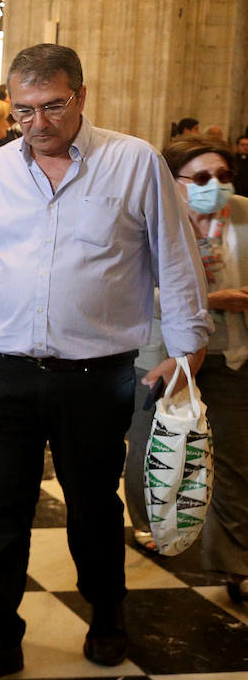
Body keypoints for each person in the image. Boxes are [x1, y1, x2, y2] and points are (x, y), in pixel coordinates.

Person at [0, 43, 210, 680]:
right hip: (6, 370)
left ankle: (107, 612)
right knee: (3, 511)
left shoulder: (133, 162)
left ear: (81, 97)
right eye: (22, 110)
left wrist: (187, 348)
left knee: (92, 505)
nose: (37, 122)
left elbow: (175, 260)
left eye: (52, 106)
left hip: (96, 375)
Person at [124, 135, 247, 602]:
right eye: (200, 177)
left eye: (222, 176)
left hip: (231, 353)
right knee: (151, 447)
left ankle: (236, 566)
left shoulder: (242, 215)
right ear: (172, 182)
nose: (213, 186)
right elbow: (134, 289)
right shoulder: (147, 219)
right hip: (162, 355)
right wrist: (213, 300)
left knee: (236, 459)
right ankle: (149, 519)